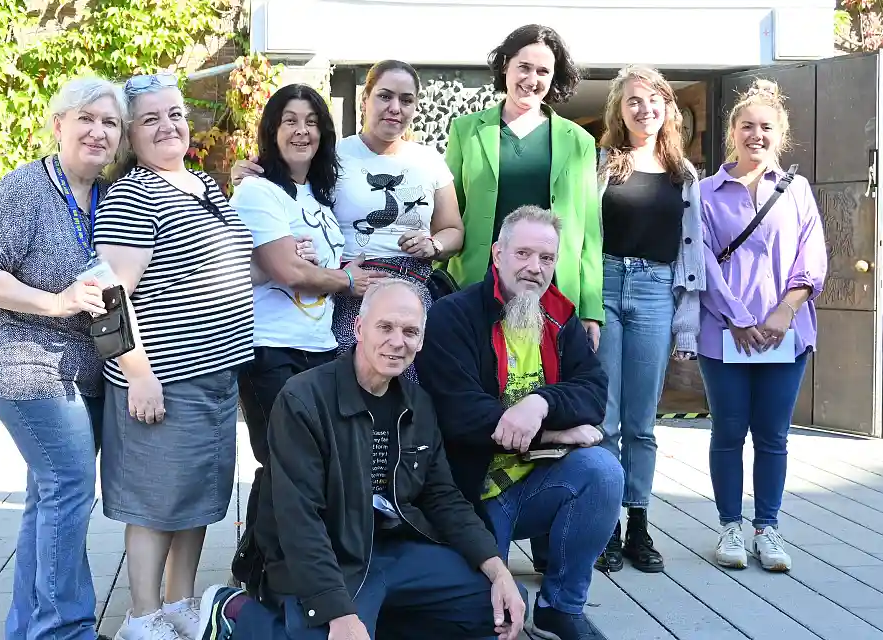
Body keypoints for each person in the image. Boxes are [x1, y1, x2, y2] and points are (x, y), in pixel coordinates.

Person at [196, 279, 527, 640]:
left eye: (410, 331)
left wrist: (498, 569)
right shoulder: (303, 400)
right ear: (358, 328)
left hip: (393, 550)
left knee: (503, 605)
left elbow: (442, 497)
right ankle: (235, 612)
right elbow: (299, 520)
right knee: (330, 632)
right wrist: (338, 613)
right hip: (326, 557)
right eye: (385, 327)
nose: (397, 341)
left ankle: (371, 620)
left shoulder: (419, 405)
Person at [0, 75, 126, 640]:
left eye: (109, 122)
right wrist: (52, 303)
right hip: (26, 362)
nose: (98, 132)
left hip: (87, 368)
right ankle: (64, 631)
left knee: (48, 495)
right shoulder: (25, 189)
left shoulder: (111, 192)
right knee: (69, 486)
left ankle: (31, 627)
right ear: (59, 125)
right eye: (86, 119)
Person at [92, 73, 256, 640]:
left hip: (217, 375)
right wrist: (137, 373)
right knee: (155, 503)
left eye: (176, 114)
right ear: (130, 136)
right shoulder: (132, 192)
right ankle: (142, 615)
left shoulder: (205, 185)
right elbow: (106, 297)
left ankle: (181, 603)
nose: (169, 127)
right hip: (164, 376)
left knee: (198, 499)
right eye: (150, 119)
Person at [416, 206, 624, 640]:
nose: (535, 268)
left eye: (546, 258)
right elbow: (459, 414)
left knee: (603, 471)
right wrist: (553, 431)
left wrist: (539, 404)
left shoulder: (559, 315)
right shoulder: (453, 316)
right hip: (472, 492)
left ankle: (560, 606)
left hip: (535, 483)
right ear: (498, 254)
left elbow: (594, 392)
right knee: (487, 620)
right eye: (523, 254)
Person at [228, 83, 386, 582]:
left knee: (304, 462)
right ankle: (264, 572)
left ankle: (265, 563)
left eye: (312, 122)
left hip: (317, 347)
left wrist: (340, 266)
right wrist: (346, 280)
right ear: (271, 130)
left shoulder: (316, 196)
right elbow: (286, 270)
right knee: (283, 460)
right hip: (269, 347)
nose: (301, 131)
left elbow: (313, 262)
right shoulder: (256, 191)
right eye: (290, 120)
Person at [231, 59, 465, 382]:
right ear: (365, 99)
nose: (395, 108)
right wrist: (246, 172)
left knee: (412, 384)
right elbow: (288, 184)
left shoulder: (429, 160)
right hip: (347, 287)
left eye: (406, 99)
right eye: (385, 96)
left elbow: (454, 230)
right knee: (348, 387)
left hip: (412, 284)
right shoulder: (332, 156)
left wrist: (435, 244)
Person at [698, 79, 827, 572]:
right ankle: (730, 524)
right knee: (728, 431)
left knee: (773, 435)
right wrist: (738, 316)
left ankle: (767, 528)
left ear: (781, 135)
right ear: (732, 132)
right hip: (724, 333)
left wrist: (783, 311)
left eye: (765, 127)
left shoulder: (797, 191)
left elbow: (812, 257)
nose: (756, 134)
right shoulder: (705, 193)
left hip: (786, 334)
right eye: (746, 126)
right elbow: (703, 260)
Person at [592, 65, 706, 574]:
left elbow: (694, 258)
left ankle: (639, 524)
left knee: (642, 423)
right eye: (634, 100)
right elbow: (583, 240)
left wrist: (687, 327)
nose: (645, 109)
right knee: (606, 418)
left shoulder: (685, 176)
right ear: (620, 108)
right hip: (608, 286)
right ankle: (605, 529)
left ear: (668, 108)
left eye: (655, 100)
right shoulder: (601, 166)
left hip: (657, 289)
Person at [442, 24, 603, 350]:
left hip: (550, 288)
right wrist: (437, 283)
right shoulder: (466, 131)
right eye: (524, 67)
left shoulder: (579, 141)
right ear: (505, 66)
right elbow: (447, 215)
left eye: (543, 71)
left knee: (540, 387)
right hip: (476, 285)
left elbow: (588, 233)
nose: (532, 79)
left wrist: (590, 309)